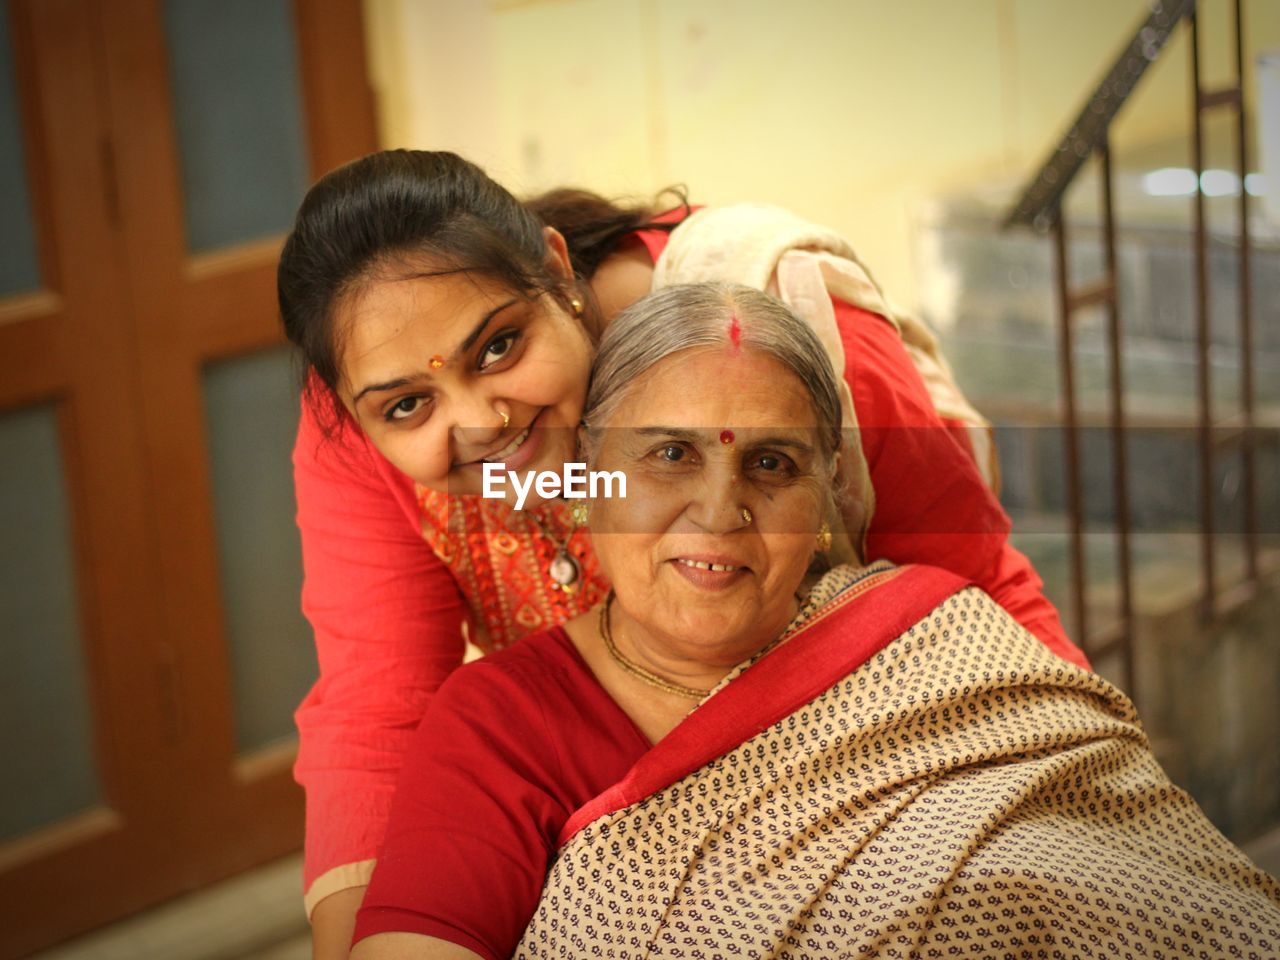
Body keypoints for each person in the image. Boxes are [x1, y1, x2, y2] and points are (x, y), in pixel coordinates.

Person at [276, 150, 1088, 952]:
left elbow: (979, 621)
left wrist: (1082, 797)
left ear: (557, 271)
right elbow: (376, 714)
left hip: (892, 803)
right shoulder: (504, 728)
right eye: (411, 405)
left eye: (499, 347)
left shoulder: (783, 338)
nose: (480, 420)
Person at [347, 285, 1280, 960]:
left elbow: (1173, 901)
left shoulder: (937, 636)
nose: (719, 513)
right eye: (669, 454)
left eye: (771, 465)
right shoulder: (503, 722)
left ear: (829, 492)